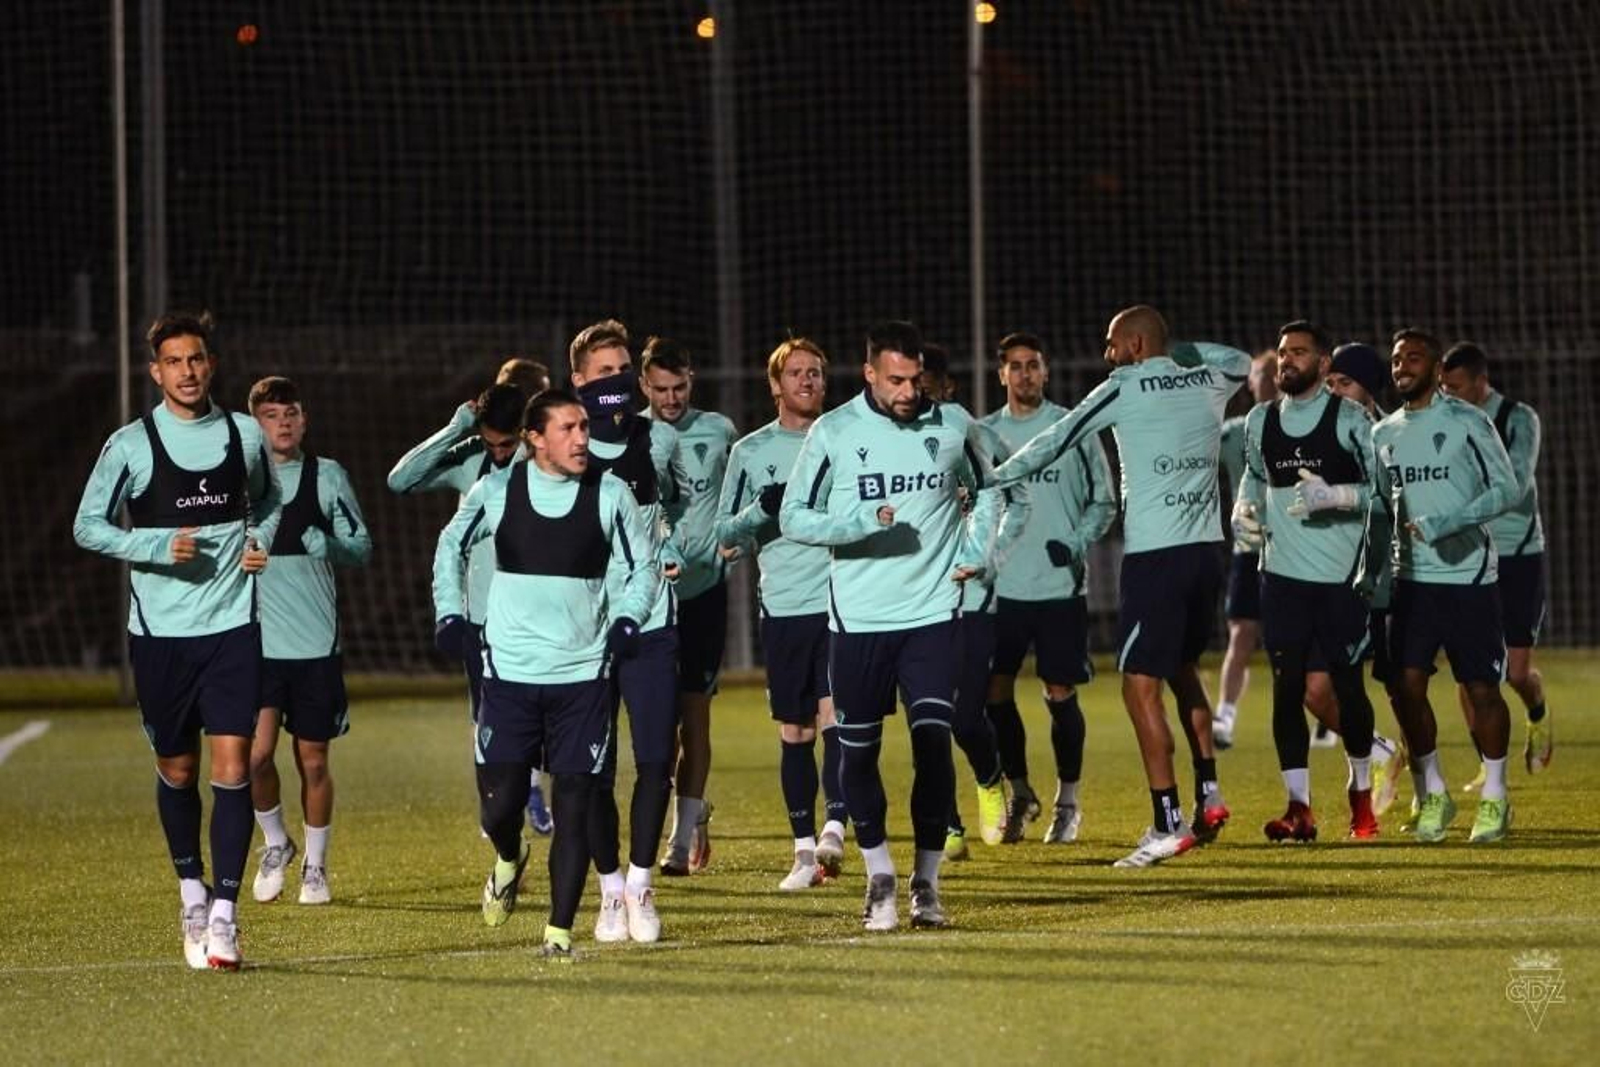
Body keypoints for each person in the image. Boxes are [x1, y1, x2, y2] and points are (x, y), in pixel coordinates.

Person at [990, 306, 1243, 868]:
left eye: (1112, 343)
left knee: (1137, 688)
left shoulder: (1123, 385)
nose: (1106, 353)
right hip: (1207, 553)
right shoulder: (1207, 379)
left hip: (1156, 558)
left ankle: (1167, 823)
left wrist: (993, 478)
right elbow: (1242, 361)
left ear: (1133, 344)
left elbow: (1056, 440)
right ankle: (1210, 793)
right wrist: (1178, 350)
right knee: (1182, 671)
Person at [73, 310, 282, 969]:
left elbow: (269, 504)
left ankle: (224, 913)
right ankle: (190, 886)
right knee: (178, 769)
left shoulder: (244, 435)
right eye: (174, 361)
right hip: (161, 637)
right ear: (155, 371)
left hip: (231, 629)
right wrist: (156, 544)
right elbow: (88, 525)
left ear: (210, 365)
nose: (187, 371)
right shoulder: (130, 444)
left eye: (197, 359)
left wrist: (260, 540)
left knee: (234, 766)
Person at [779, 321, 991, 930]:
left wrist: (980, 549)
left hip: (932, 614)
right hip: (859, 622)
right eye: (894, 379)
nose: (907, 390)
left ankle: (926, 884)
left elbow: (996, 489)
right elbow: (795, 516)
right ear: (869, 374)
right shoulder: (835, 431)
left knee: (933, 743)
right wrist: (859, 522)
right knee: (858, 755)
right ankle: (879, 875)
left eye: (914, 378)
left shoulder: (953, 426)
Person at [433, 389, 655, 959]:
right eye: (568, 428)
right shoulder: (499, 490)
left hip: (583, 678)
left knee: (575, 801)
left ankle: (559, 933)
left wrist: (628, 619)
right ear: (535, 438)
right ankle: (509, 858)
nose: (582, 438)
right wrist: (450, 613)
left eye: (584, 426)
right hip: (508, 675)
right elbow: (450, 544)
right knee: (500, 807)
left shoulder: (609, 495)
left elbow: (642, 568)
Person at [1232, 323, 1384, 840]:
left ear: (1323, 363)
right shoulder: (1259, 421)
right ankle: (1299, 807)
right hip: (1281, 578)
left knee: (1347, 685)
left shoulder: (1352, 420)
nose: (1286, 361)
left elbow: (1385, 493)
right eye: (1281, 353)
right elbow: (1254, 474)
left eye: (1299, 353)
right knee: (1286, 689)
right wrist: (1243, 507)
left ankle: (1361, 797)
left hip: (1341, 579)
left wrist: (1340, 497)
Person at [1368, 328, 1520, 843]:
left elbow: (1507, 488)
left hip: (1468, 576)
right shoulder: (1382, 434)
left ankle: (1496, 796)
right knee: (1404, 688)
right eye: (1395, 359)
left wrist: (1451, 521)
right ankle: (1433, 790)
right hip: (1411, 581)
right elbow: (1381, 505)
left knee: (1480, 689)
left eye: (1414, 358)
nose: (1402, 366)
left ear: (1436, 369)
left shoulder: (1469, 422)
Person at [389, 380, 554, 834]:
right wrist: (452, 429)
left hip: (539, 612)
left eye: (508, 444)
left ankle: (533, 789)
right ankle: (498, 801)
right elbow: (400, 480)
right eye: (490, 443)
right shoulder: (471, 460)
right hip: (481, 615)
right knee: (486, 717)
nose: (499, 453)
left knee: (540, 714)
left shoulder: (549, 463)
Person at [716, 338, 852, 888]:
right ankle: (802, 854)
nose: (807, 381)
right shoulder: (750, 452)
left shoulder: (844, 440)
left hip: (841, 602)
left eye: (815, 372)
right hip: (785, 607)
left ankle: (836, 830)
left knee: (836, 716)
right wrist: (759, 511)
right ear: (775, 385)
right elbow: (724, 535)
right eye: (795, 373)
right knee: (794, 731)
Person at [567, 320, 685, 941]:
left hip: (653, 626)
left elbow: (684, 511)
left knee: (657, 760)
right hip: (587, 633)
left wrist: (678, 550)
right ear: (579, 382)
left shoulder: (657, 440)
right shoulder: (565, 451)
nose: (613, 382)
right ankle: (609, 890)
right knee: (592, 771)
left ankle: (641, 884)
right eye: (602, 372)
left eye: (622, 371)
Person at [979, 332, 1116, 844]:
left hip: (1059, 588)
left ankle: (1068, 803)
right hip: (1000, 589)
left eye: (1032, 364)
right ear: (1001, 374)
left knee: (1060, 694)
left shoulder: (1072, 427)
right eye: (1014, 366)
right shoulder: (985, 435)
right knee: (993, 693)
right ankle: (1021, 794)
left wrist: (1077, 543)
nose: (1024, 375)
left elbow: (1104, 500)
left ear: (1046, 370)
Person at [246, 377, 373, 905]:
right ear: (255, 424)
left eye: (291, 413)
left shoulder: (327, 476)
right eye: (272, 414)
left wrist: (332, 546)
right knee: (253, 758)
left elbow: (361, 545)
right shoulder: (241, 483)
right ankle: (276, 843)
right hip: (256, 645)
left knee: (314, 761)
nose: (283, 422)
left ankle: (316, 868)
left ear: (305, 420)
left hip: (316, 645)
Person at [639, 338, 739, 874]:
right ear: (643, 387)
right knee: (656, 725)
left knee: (694, 717)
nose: (672, 398)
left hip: (702, 593)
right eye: (661, 389)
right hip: (647, 597)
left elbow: (740, 493)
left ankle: (679, 840)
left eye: (679, 388)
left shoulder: (720, 431)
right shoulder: (630, 435)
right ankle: (687, 816)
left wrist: (737, 536)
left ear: (691, 380)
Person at [920, 344, 1018, 860]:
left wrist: (990, 555)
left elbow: (1011, 494)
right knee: (928, 719)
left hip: (974, 597)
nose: (917, 392)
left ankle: (989, 775)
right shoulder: (892, 436)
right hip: (918, 600)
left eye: (927, 384)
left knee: (964, 718)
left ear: (947, 387)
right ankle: (949, 823)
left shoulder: (968, 430)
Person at [1439, 342, 1552, 784]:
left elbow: (1518, 483)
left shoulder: (1518, 419)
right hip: (1468, 555)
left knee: (1516, 673)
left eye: (1457, 387)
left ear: (1481, 384)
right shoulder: (1443, 421)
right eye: (1443, 387)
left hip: (1518, 554)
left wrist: (1455, 504)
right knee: (1469, 671)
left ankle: (1537, 710)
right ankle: (1489, 771)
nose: (1448, 394)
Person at [1212, 350, 1278, 749]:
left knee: (1296, 640)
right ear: (1249, 382)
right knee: (1241, 633)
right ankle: (1226, 716)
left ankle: (1323, 714)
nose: (1266, 380)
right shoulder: (1235, 432)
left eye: (1273, 373)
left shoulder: (1299, 425)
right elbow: (1197, 454)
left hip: (1294, 551)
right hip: (1249, 548)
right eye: (1259, 374)